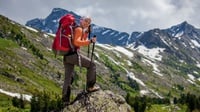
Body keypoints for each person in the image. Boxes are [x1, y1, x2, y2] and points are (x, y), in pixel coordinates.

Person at [62, 16, 99, 105]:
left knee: (68, 78)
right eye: (86, 21)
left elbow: (81, 41)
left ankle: (65, 101)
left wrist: (86, 33)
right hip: (73, 55)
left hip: (67, 56)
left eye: (89, 22)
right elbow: (76, 42)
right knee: (92, 65)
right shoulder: (78, 29)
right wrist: (90, 41)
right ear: (81, 20)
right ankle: (90, 87)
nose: (87, 23)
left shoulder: (77, 29)